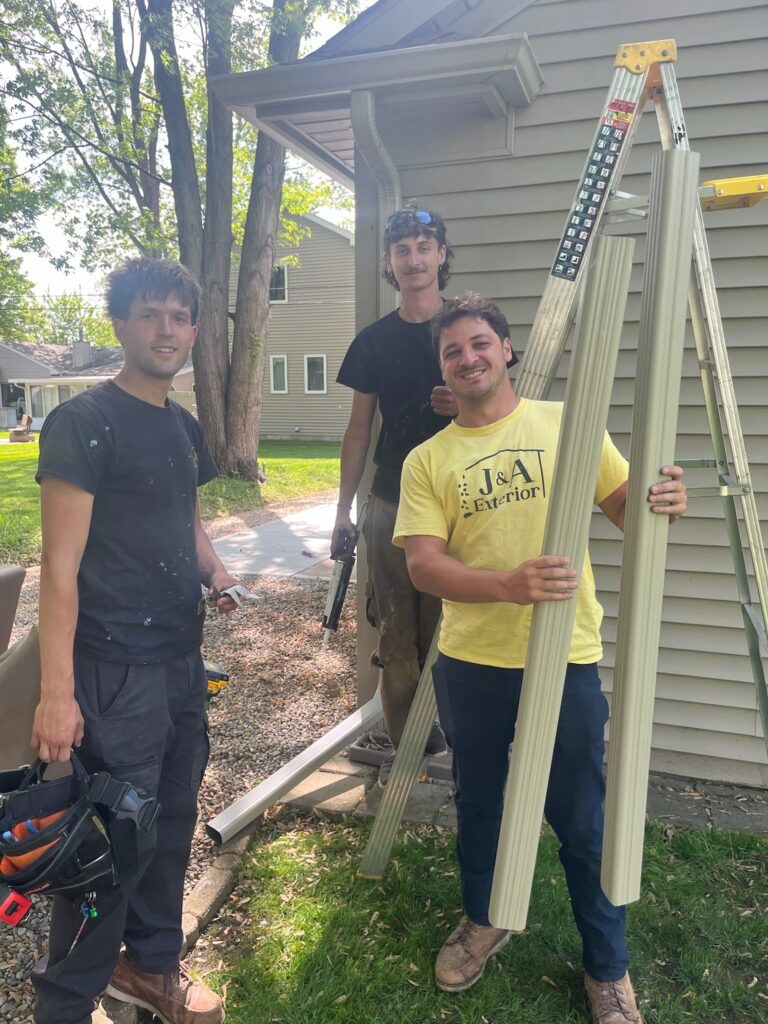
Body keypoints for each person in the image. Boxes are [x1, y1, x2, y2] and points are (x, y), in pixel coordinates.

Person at [394, 294, 687, 1023]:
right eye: (453, 351)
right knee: (481, 807)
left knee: (583, 821)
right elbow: (424, 568)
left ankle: (608, 969)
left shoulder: (568, 424)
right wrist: (506, 585)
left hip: (565, 658)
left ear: (507, 349)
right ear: (443, 369)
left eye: (479, 343)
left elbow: (628, 510)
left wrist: (663, 499)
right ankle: (485, 920)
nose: (468, 358)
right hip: (472, 663)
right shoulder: (428, 459)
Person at [31, 258, 240, 1024]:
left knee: (172, 823)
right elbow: (60, 566)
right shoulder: (84, 423)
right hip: (114, 671)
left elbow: (185, 518)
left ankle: (151, 967)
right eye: (150, 315)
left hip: (181, 662)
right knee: (108, 844)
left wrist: (216, 572)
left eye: (180, 318)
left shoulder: (182, 426)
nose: (167, 330)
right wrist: (58, 695)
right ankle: (68, 1000)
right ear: (120, 325)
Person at [335, 207, 506, 785]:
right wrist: (342, 510)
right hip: (390, 502)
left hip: (463, 504)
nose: (413, 258)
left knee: (454, 628)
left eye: (423, 246)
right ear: (389, 263)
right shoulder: (373, 342)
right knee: (396, 632)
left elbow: (506, 414)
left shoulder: (466, 335)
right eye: (402, 249)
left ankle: (463, 750)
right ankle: (409, 751)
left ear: (441, 256)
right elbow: (360, 431)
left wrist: (462, 405)